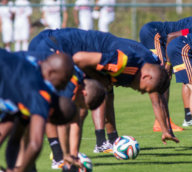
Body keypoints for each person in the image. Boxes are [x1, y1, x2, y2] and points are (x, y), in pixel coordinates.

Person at [28, 28, 179, 145]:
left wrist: (165, 129)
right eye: (145, 89)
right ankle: (63, 158)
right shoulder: (126, 61)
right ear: (147, 77)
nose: (142, 92)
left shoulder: (135, 68)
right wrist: (99, 78)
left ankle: (71, 155)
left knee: (85, 102)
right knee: (64, 105)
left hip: (58, 45)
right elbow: (78, 59)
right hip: (55, 46)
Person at [0, 50, 76, 172]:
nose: (62, 88)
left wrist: (11, 170)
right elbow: (35, 144)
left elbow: (14, 139)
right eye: (62, 82)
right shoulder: (40, 93)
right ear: (51, 71)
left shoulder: (32, 62)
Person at [139, 16, 192, 130]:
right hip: (153, 33)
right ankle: (162, 122)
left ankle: (170, 119)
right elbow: (170, 36)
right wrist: (168, 64)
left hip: (170, 42)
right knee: (162, 76)